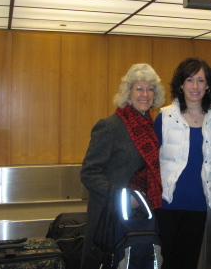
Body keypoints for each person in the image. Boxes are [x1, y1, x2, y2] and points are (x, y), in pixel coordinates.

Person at [80, 63, 165, 269]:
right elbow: (89, 172)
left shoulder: (151, 127)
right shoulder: (110, 126)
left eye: (150, 88)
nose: (145, 94)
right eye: (139, 88)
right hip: (110, 216)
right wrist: (123, 196)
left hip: (139, 216)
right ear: (128, 92)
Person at [154, 57, 211, 269]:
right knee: (164, 261)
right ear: (181, 84)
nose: (195, 86)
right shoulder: (165, 117)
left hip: (199, 205)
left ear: (208, 85)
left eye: (200, 80)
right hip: (167, 203)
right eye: (190, 80)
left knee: (188, 262)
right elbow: (149, 161)